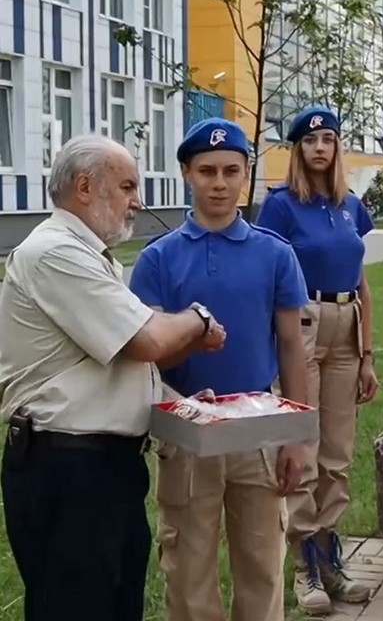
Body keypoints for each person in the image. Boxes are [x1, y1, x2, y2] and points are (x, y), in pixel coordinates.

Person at [0, 135, 225, 621]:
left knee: (114, 604)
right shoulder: (55, 253)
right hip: (66, 469)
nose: (137, 201)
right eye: (126, 186)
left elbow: (122, 360)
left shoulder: (90, 256)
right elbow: (149, 341)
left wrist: (175, 402)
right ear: (85, 186)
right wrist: (200, 319)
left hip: (103, 471)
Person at [128, 118, 309, 621]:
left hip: (259, 431)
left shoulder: (275, 254)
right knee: (189, 571)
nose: (220, 183)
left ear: (247, 174)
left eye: (232, 170)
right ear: (187, 173)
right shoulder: (157, 260)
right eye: (207, 171)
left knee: (263, 567)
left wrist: (298, 438)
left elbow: (293, 347)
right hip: (188, 432)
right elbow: (146, 354)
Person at [255, 104, 380, 615]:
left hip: (346, 325)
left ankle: (330, 554)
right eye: (310, 141)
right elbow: (268, 275)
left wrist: (368, 354)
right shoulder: (282, 206)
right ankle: (304, 558)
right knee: (301, 445)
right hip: (301, 324)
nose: (320, 148)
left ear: (337, 147)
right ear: (297, 150)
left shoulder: (350, 204)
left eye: (328, 138)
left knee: (338, 450)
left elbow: (363, 282)